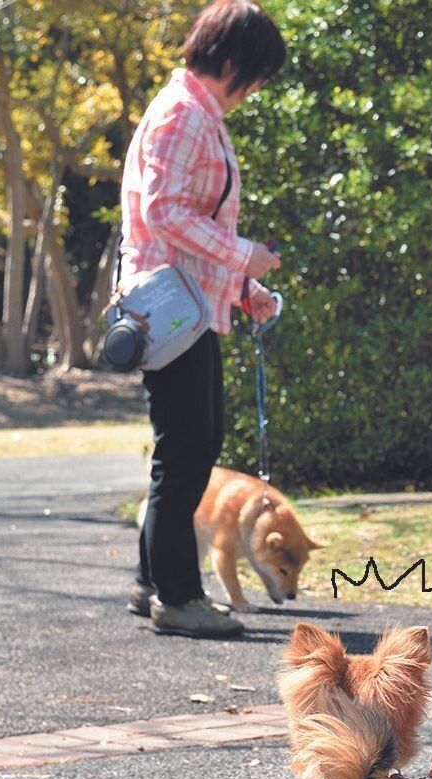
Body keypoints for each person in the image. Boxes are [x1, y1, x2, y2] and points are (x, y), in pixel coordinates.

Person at [123, 0, 285, 639]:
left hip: (190, 307)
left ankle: (151, 582)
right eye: (257, 75)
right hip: (172, 313)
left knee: (191, 447)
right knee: (187, 451)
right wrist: (246, 257)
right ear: (231, 61)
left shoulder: (195, 112)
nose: (256, 90)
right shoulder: (185, 114)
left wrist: (243, 286)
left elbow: (192, 222)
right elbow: (164, 215)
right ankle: (177, 596)